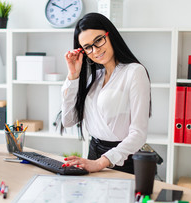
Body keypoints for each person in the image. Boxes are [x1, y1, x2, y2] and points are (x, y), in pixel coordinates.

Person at [61, 13, 151, 174]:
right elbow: (68, 120)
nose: (95, 50)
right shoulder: (94, 78)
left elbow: (139, 133)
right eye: (88, 47)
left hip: (122, 158)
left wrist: (101, 163)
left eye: (98, 40)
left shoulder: (134, 72)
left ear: (110, 35)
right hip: (94, 152)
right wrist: (72, 77)